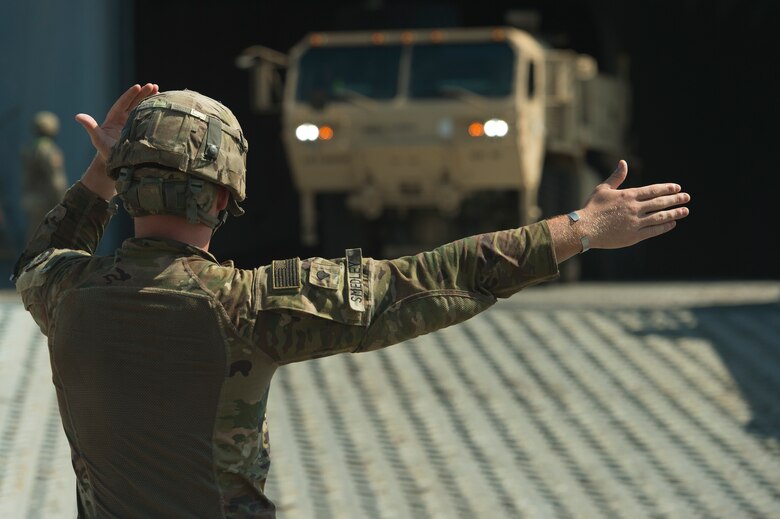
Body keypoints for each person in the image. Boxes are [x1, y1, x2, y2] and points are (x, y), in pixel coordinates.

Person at [13, 84, 690, 518]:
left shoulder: (64, 292)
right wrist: (580, 229)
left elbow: (37, 259)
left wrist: (99, 177)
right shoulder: (247, 308)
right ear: (223, 197)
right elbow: (426, 280)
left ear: (127, 186)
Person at [21, 111, 69, 242]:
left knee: (32, 238)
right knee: (49, 240)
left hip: (31, 200)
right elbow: (56, 182)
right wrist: (64, 204)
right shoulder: (49, 150)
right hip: (46, 202)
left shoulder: (29, 149)